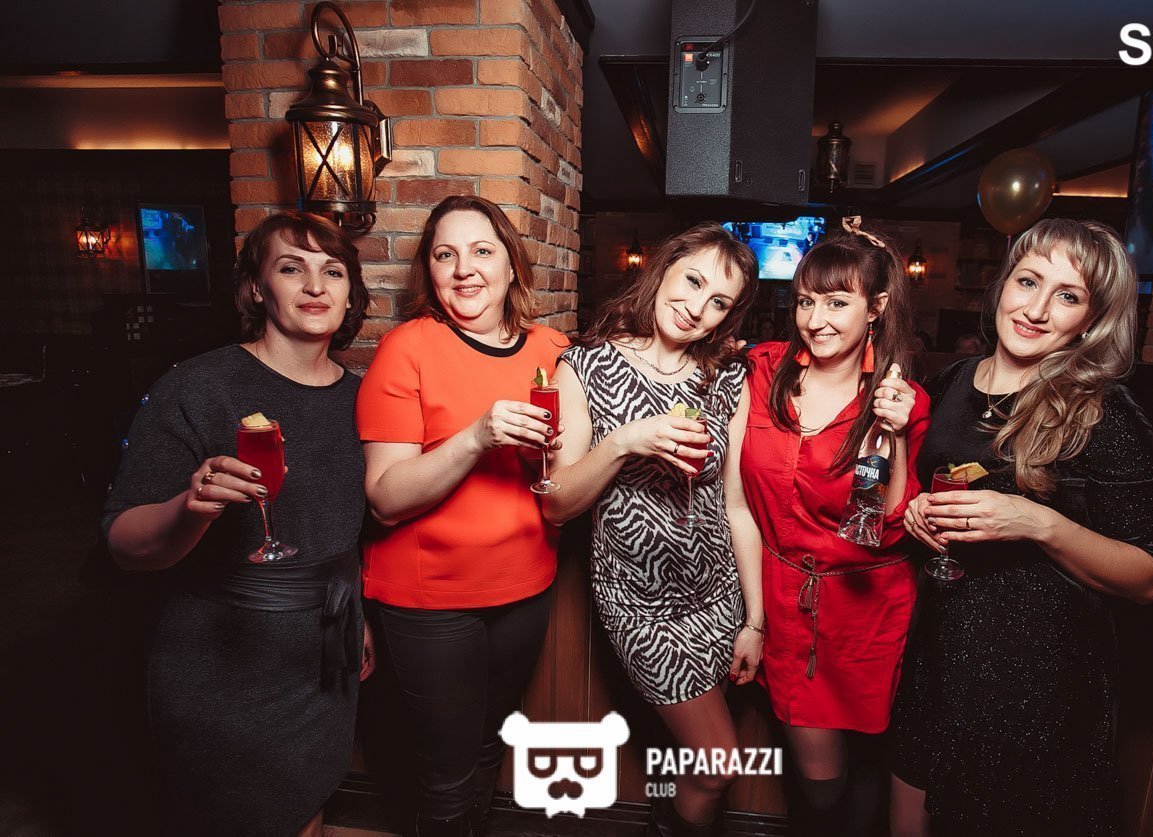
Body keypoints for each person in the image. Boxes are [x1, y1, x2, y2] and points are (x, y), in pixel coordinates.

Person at [891, 218, 1153, 837]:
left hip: (1037, 682)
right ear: (1003, 284)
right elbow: (926, 483)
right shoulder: (951, 382)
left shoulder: (1102, 413)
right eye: (1028, 281)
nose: (1037, 310)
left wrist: (1039, 522)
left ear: (1091, 320)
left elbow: (1150, 578)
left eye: (1067, 296)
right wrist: (917, 512)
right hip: (937, 655)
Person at [104, 211, 375, 837]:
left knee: (308, 802)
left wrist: (358, 616)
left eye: (333, 272)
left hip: (324, 655)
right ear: (256, 288)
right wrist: (188, 506)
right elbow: (122, 543)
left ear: (350, 294)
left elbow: (346, 529)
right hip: (220, 662)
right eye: (291, 268)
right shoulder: (197, 387)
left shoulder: (363, 398)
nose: (316, 286)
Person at [357, 195, 568, 837]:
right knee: (446, 774)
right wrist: (476, 437)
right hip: (431, 599)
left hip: (525, 585)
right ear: (429, 269)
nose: (464, 269)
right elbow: (385, 497)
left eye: (481, 251)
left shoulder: (552, 348)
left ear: (511, 265)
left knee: (486, 745)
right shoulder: (407, 348)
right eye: (445, 254)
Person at [540, 223, 761, 836]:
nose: (696, 307)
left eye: (718, 302)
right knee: (718, 763)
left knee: (697, 759)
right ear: (663, 269)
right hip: (639, 607)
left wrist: (755, 620)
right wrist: (624, 441)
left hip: (717, 599)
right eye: (692, 281)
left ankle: (672, 816)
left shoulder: (727, 378)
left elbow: (736, 505)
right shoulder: (584, 365)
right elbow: (556, 505)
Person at [738, 217, 929, 835]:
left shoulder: (900, 398)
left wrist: (897, 435)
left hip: (869, 611)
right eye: (805, 302)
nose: (815, 320)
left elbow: (892, 525)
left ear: (876, 308)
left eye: (837, 303)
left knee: (869, 761)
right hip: (786, 602)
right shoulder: (763, 371)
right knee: (818, 780)